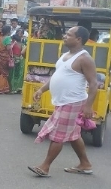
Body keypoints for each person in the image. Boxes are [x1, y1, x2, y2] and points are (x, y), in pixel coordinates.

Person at [28, 26, 98, 177]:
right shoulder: (66, 55)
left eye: (69, 34)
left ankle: (45, 167)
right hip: (63, 101)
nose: (65, 36)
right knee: (73, 135)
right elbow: (57, 76)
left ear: (78, 39)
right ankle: (85, 164)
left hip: (72, 102)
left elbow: (93, 84)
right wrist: (41, 90)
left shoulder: (84, 58)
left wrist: (88, 107)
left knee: (58, 135)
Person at [0, 25, 13, 94]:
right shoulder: (8, 38)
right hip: (5, 57)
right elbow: (8, 48)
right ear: (9, 31)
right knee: (3, 73)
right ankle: (2, 88)